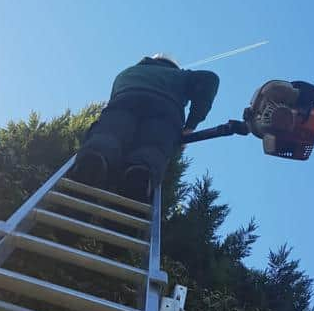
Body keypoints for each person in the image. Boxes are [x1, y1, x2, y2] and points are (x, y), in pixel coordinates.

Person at [69, 53, 220, 202]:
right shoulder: (179, 76)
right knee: (152, 149)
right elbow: (210, 79)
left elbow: (114, 97)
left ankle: (94, 160)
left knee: (109, 136)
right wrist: (191, 125)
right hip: (165, 112)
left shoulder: (126, 73)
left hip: (123, 102)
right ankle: (139, 175)